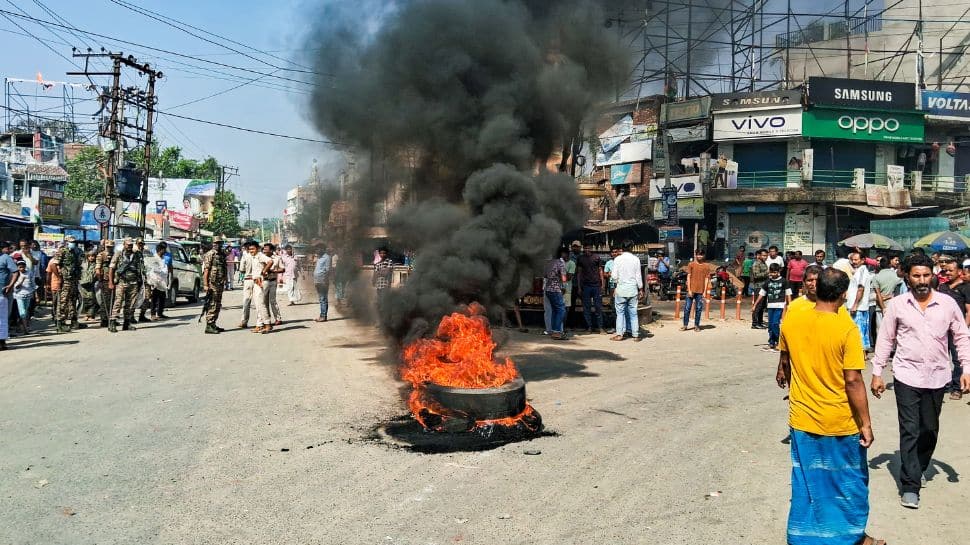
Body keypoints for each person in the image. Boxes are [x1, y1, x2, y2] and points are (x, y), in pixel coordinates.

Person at [776, 267, 879, 545]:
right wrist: (866, 424)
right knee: (849, 483)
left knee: (807, 481)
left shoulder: (792, 321)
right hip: (840, 420)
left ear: (816, 287)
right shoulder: (846, 328)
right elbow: (853, 380)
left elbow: (786, 359)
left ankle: (802, 537)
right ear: (844, 294)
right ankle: (850, 537)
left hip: (802, 417)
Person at [871, 253, 970, 510]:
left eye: (926, 275)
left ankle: (920, 466)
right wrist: (877, 371)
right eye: (916, 275)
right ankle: (910, 485)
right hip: (906, 375)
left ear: (933, 275)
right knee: (910, 429)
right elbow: (886, 339)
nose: (922, 280)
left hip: (938, 377)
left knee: (929, 429)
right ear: (907, 276)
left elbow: (961, 337)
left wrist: (966, 369)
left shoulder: (947, 304)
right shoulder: (898, 305)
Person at [936, 259, 970, 401]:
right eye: (946, 271)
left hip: (957, 330)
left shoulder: (966, 288)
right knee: (940, 357)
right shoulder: (942, 287)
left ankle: (957, 388)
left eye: (951, 270)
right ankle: (940, 384)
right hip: (942, 329)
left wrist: (964, 329)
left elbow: (969, 311)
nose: (948, 273)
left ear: (959, 272)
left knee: (957, 359)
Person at [108, 237, 145, 332]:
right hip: (121, 281)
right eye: (128, 245)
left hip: (133, 282)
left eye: (131, 245)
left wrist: (141, 281)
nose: (129, 246)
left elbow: (140, 268)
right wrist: (111, 282)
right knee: (118, 302)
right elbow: (111, 268)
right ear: (124, 245)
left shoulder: (136, 255)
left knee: (130, 304)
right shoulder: (118, 254)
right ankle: (112, 322)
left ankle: (127, 323)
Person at [754, 263, 792, 351]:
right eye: (772, 272)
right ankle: (771, 343)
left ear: (778, 272)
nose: (773, 274)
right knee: (770, 325)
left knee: (775, 323)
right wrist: (755, 305)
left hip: (780, 305)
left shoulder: (784, 281)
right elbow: (761, 294)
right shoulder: (768, 282)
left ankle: (780, 342)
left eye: (775, 272)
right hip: (770, 306)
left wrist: (790, 305)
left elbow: (788, 293)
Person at [611, 240, 643, 342]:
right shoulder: (636, 259)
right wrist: (641, 288)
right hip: (633, 289)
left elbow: (614, 276)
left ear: (622, 248)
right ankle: (635, 335)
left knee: (620, 313)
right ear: (631, 248)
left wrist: (616, 284)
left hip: (621, 289)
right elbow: (638, 275)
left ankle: (620, 334)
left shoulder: (617, 259)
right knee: (633, 313)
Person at [846, 251, 873, 351]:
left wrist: (855, 305)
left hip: (858, 308)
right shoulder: (859, 271)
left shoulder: (862, 271)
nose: (854, 262)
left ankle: (859, 355)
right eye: (852, 260)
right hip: (859, 307)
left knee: (857, 333)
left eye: (856, 260)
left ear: (862, 260)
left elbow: (860, 289)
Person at [54, 235, 82, 333]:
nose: (73, 243)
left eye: (74, 242)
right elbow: (55, 265)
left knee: (73, 300)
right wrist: (59, 277)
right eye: (71, 242)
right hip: (65, 280)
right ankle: (60, 323)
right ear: (66, 242)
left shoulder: (76, 252)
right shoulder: (62, 251)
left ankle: (74, 321)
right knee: (63, 301)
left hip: (73, 280)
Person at [575, 244, 605, 334]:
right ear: (583, 249)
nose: (587, 249)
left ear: (592, 248)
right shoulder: (580, 258)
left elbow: (600, 271)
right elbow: (579, 273)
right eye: (585, 248)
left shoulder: (596, 257)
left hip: (596, 285)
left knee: (598, 307)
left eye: (589, 248)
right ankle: (589, 327)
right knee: (586, 308)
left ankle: (600, 327)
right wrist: (579, 287)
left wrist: (602, 284)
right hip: (585, 286)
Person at [872, 257, 902, 343]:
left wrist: (883, 307)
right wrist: (890, 296)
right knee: (892, 327)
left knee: (880, 329)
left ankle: (881, 347)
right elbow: (899, 289)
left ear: (880, 265)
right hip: (893, 305)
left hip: (880, 306)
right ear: (889, 264)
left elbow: (878, 294)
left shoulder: (876, 277)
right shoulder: (895, 276)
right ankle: (892, 347)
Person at [201, 237, 228, 334]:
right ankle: (209, 325)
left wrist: (225, 280)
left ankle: (213, 324)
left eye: (220, 243)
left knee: (217, 304)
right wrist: (205, 284)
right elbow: (206, 270)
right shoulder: (210, 254)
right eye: (216, 243)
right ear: (213, 244)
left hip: (219, 283)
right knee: (212, 303)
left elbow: (224, 267)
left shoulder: (221, 254)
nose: (218, 245)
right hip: (212, 284)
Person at [682, 250, 710, 332]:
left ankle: (697, 325)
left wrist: (705, 291)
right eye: (698, 255)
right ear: (696, 255)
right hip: (691, 290)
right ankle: (685, 325)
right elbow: (688, 276)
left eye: (701, 255)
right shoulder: (691, 264)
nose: (699, 256)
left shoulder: (706, 266)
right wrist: (689, 289)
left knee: (699, 308)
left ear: (703, 256)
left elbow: (706, 279)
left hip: (700, 291)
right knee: (687, 308)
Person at [543, 248, 568, 341]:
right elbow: (564, 278)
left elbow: (545, 275)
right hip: (556, 289)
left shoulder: (548, 263)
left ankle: (553, 331)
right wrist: (564, 286)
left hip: (548, 289)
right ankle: (557, 332)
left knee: (554, 310)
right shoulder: (560, 262)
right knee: (561, 310)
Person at [238, 241, 262, 329]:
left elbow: (241, 269)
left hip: (248, 280)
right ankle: (260, 322)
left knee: (246, 302)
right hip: (258, 280)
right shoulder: (260, 256)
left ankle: (244, 321)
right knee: (258, 302)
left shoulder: (245, 256)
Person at [148, 242, 172, 321]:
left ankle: (160, 313)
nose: (165, 251)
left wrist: (168, 279)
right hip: (155, 281)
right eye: (164, 249)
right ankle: (153, 314)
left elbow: (168, 268)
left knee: (162, 298)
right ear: (160, 250)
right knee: (154, 298)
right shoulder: (154, 258)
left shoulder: (164, 258)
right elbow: (153, 270)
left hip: (163, 281)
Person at [10, 260, 35, 334]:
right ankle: (26, 329)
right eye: (20, 267)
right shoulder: (15, 274)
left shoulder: (29, 273)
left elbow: (33, 284)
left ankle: (20, 326)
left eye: (23, 267)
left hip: (28, 295)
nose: (22, 269)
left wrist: (35, 293)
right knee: (22, 312)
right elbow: (15, 287)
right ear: (17, 267)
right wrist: (21, 281)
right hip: (19, 296)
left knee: (26, 311)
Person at [94, 239, 114, 328]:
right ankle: (104, 320)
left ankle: (111, 318)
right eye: (108, 247)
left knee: (112, 300)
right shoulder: (101, 255)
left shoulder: (114, 255)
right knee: (105, 300)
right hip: (104, 279)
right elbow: (98, 269)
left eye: (111, 247)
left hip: (114, 279)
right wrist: (100, 280)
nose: (109, 248)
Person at [78, 250, 99, 322]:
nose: (91, 258)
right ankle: (87, 314)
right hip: (83, 284)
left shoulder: (96, 264)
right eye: (89, 256)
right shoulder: (83, 264)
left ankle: (91, 315)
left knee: (92, 300)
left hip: (92, 284)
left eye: (93, 256)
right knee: (85, 299)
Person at [750, 249, 769, 329]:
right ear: (759, 255)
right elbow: (756, 275)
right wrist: (767, 272)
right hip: (759, 287)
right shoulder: (756, 264)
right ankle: (754, 323)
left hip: (764, 286)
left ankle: (760, 322)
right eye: (764, 255)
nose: (765, 257)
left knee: (762, 305)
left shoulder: (763, 263)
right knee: (758, 305)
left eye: (766, 255)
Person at [313, 246, 332, 322]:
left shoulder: (327, 257)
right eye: (316, 249)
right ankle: (321, 315)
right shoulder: (319, 258)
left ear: (322, 249)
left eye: (318, 248)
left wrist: (324, 281)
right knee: (321, 299)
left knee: (323, 298)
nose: (317, 250)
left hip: (323, 281)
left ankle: (323, 316)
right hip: (317, 281)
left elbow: (327, 270)